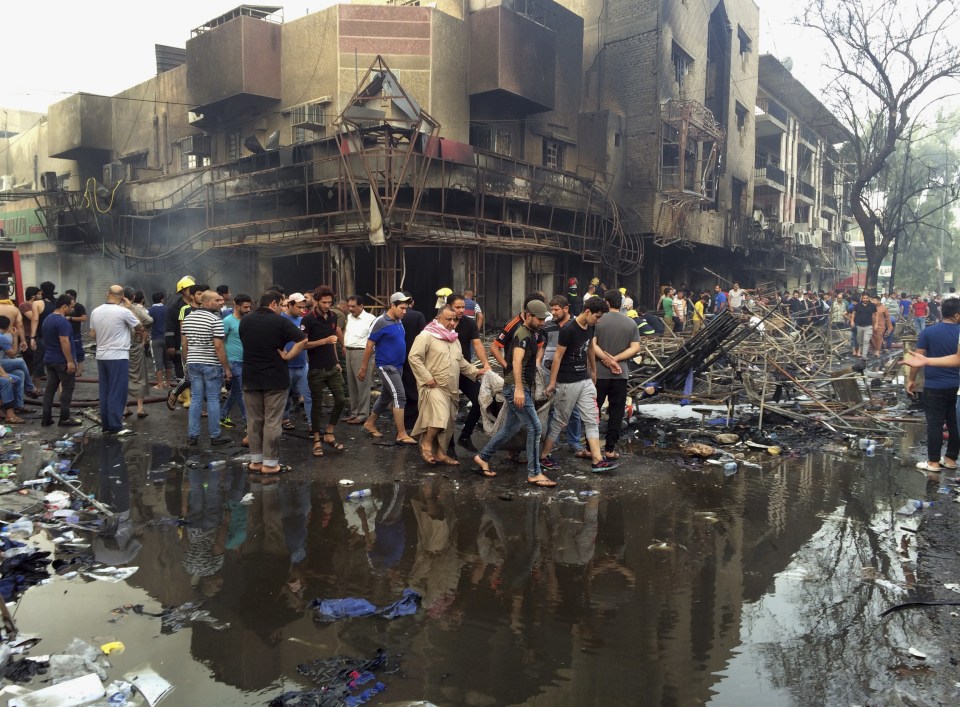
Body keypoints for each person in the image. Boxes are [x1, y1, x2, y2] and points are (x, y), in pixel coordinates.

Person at [473, 299, 554, 485]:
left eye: (544, 319)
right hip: (517, 388)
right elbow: (515, 362)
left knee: (511, 427)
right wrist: (519, 389)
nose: (542, 322)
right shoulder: (523, 334)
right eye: (539, 319)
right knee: (535, 428)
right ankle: (534, 473)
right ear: (528, 316)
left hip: (520, 387)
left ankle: (483, 457)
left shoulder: (533, 333)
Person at [539, 296, 621, 473]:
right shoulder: (569, 329)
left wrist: (593, 371)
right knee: (560, 420)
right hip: (567, 381)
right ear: (587, 311)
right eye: (597, 317)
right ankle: (544, 456)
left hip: (584, 379)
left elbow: (590, 347)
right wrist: (552, 382)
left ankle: (597, 460)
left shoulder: (590, 326)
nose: (598, 320)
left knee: (592, 418)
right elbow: (557, 357)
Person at [239, 291, 307, 474]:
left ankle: (255, 462)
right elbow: (302, 340)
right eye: (282, 304)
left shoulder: (245, 320)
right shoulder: (280, 322)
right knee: (272, 422)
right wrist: (288, 356)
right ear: (274, 304)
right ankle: (270, 464)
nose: (283, 308)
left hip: (250, 377)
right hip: (275, 379)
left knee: (254, 421)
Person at [408, 304, 484, 465]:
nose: (452, 323)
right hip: (433, 386)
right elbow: (414, 357)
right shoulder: (426, 336)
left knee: (448, 424)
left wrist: (475, 371)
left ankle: (440, 453)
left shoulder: (453, 339)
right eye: (448, 319)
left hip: (450, 388)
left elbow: (460, 362)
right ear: (438, 318)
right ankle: (426, 443)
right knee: (440, 418)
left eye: (454, 320)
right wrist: (426, 377)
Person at [904, 297, 960, 474]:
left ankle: (934, 462)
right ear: (957, 315)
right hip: (956, 388)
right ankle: (951, 459)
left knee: (935, 424)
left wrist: (911, 380)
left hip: (935, 385)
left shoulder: (929, 332)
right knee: (954, 423)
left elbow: (917, 360)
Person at [360, 292, 417, 445]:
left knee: (386, 396)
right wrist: (364, 367)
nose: (405, 312)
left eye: (406, 308)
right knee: (400, 396)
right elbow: (369, 345)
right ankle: (401, 433)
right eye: (402, 308)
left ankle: (370, 423)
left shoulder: (399, 321)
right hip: (386, 366)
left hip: (398, 366)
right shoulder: (380, 322)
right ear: (392, 305)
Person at [89, 286, 143, 435]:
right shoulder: (124, 312)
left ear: (108, 294)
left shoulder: (95, 311)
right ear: (123, 296)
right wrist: (130, 308)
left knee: (105, 391)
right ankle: (116, 426)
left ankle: (106, 425)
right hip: (118, 356)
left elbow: (92, 334)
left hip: (101, 356)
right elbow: (140, 327)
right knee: (117, 391)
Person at [182, 290, 232, 446]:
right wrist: (226, 368)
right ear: (207, 302)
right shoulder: (215, 319)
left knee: (196, 399)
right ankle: (215, 436)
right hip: (211, 364)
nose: (221, 302)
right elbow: (218, 347)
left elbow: (184, 344)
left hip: (193, 362)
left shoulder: (188, 318)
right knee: (213, 399)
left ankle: (193, 436)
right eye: (218, 300)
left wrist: (187, 361)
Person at [595, 290, 641, 460]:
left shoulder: (597, 321)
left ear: (606, 302)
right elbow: (635, 348)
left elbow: (592, 346)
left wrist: (607, 359)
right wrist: (616, 359)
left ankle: (590, 447)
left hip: (599, 374)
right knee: (616, 411)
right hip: (620, 375)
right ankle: (609, 449)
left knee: (594, 410)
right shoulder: (630, 323)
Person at [302, 286, 347, 458]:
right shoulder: (308, 320)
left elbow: (332, 342)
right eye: (324, 302)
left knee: (341, 399)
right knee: (317, 405)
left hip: (332, 367)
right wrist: (324, 340)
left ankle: (329, 432)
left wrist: (336, 361)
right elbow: (304, 344)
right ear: (316, 301)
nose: (327, 305)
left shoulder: (333, 316)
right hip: (316, 369)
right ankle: (316, 439)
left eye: (329, 302)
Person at [541, 295, 585, 458]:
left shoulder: (577, 325)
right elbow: (542, 346)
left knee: (572, 409)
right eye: (551, 309)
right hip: (548, 371)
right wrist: (539, 364)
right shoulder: (547, 325)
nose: (553, 312)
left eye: (556, 309)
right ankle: (553, 442)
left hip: (569, 372)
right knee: (551, 408)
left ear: (566, 308)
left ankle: (574, 442)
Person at [447, 292, 492, 452]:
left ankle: (465, 436)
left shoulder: (469, 323)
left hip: (466, 369)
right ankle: (449, 444)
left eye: (463, 307)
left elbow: (478, 344)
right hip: (447, 372)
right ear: (448, 307)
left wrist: (486, 364)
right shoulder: (440, 324)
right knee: (449, 409)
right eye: (457, 307)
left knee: (481, 399)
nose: (461, 310)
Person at [40, 294, 80, 427]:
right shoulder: (63, 322)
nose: (72, 309)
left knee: (50, 389)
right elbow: (64, 341)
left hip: (49, 359)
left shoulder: (47, 319)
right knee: (68, 388)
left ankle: (46, 419)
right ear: (64, 306)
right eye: (71, 307)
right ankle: (64, 419)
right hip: (61, 361)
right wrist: (69, 360)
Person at [342, 295, 377, 425]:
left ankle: (363, 414)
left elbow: (373, 339)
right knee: (351, 384)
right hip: (350, 351)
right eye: (349, 306)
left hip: (362, 352)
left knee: (362, 384)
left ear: (361, 306)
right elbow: (347, 331)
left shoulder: (370, 319)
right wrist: (345, 345)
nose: (350, 309)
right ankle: (354, 412)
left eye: (353, 306)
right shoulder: (349, 317)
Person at [165, 276, 199, 408]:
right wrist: (171, 346)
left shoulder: (196, 306)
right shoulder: (174, 308)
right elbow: (169, 329)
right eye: (191, 289)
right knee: (182, 371)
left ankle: (182, 395)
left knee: (190, 373)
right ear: (184, 291)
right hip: (180, 344)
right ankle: (186, 397)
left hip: (194, 346)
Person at [280, 293, 312, 431]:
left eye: (303, 308)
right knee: (284, 397)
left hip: (302, 364)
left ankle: (312, 425)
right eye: (299, 307)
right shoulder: (279, 320)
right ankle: (284, 419)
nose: (301, 311)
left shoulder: (302, 321)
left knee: (309, 395)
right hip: (285, 366)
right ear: (290, 305)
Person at [220, 293, 251, 430]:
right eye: (245, 307)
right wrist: (225, 365)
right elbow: (220, 342)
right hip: (233, 361)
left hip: (246, 361)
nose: (248, 310)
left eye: (250, 307)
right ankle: (248, 423)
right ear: (237, 306)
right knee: (242, 392)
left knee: (235, 391)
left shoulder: (248, 320)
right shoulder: (227, 321)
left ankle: (223, 416)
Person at [124, 287, 153, 419]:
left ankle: (124, 407)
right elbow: (149, 320)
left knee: (122, 377)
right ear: (133, 297)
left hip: (120, 348)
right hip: (135, 345)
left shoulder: (116, 308)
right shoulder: (135, 308)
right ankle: (140, 408)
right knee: (139, 377)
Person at [400, 292, 427, 430]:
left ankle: (401, 420)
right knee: (414, 388)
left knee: (401, 388)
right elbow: (424, 335)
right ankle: (412, 421)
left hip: (398, 357)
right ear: (413, 302)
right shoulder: (418, 316)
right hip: (415, 357)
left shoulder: (394, 317)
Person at [31, 281, 57, 381]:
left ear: (41, 291)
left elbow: (35, 320)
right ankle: (60, 392)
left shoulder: (37, 303)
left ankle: (36, 389)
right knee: (58, 366)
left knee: (39, 364)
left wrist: (32, 337)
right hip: (57, 338)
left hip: (42, 338)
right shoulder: (58, 302)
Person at [148, 291, 170, 390]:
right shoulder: (167, 309)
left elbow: (147, 324)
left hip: (155, 338)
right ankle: (168, 383)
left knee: (158, 362)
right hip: (167, 338)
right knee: (167, 361)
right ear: (162, 299)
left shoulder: (150, 310)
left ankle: (160, 384)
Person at [63, 289, 87, 377]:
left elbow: (84, 318)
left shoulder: (79, 307)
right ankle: (72, 368)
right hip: (65, 333)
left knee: (79, 351)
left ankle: (79, 370)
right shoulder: (65, 307)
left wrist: (71, 318)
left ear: (73, 298)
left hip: (75, 333)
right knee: (68, 351)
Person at [849, 292, 877, 358]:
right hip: (859, 326)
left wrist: (875, 324)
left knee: (866, 341)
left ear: (869, 298)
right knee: (860, 341)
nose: (865, 299)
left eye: (867, 298)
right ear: (862, 298)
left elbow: (875, 315)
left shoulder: (872, 306)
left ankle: (864, 356)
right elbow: (853, 313)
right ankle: (860, 351)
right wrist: (852, 321)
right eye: (864, 298)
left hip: (869, 326)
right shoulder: (858, 305)